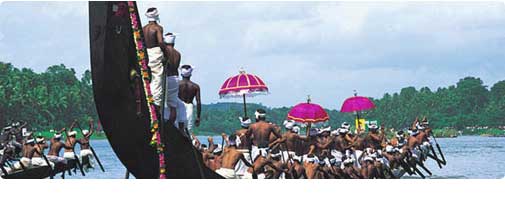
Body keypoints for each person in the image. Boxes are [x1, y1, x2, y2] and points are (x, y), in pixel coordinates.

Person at [162, 32, 186, 133]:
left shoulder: (164, 51)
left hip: (166, 77)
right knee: (173, 105)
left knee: (163, 102)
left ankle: (166, 124)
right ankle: (170, 125)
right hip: (175, 78)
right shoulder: (178, 54)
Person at [143, 7, 167, 110]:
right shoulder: (158, 28)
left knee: (147, 76)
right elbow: (161, 42)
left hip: (146, 53)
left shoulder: (143, 28)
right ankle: (155, 103)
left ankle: (147, 96)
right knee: (157, 77)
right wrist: (165, 53)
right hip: (155, 52)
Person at [178, 64, 201, 133]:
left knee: (178, 127)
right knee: (188, 129)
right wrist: (198, 117)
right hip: (189, 107)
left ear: (181, 74)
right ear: (190, 75)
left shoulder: (177, 84)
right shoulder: (195, 86)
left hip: (179, 106)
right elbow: (198, 102)